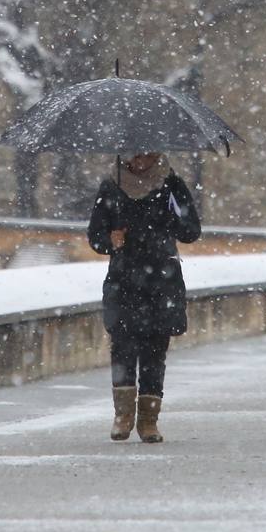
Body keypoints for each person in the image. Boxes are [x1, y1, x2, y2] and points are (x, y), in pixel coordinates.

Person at [86, 151, 201, 443]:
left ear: (156, 153)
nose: (139, 160)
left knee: (154, 351)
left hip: (161, 281)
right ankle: (123, 416)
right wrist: (110, 240)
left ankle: (149, 421)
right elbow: (95, 236)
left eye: (145, 152)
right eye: (134, 153)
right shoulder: (111, 186)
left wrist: (170, 219)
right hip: (124, 280)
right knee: (122, 348)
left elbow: (191, 231)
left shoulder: (171, 185)